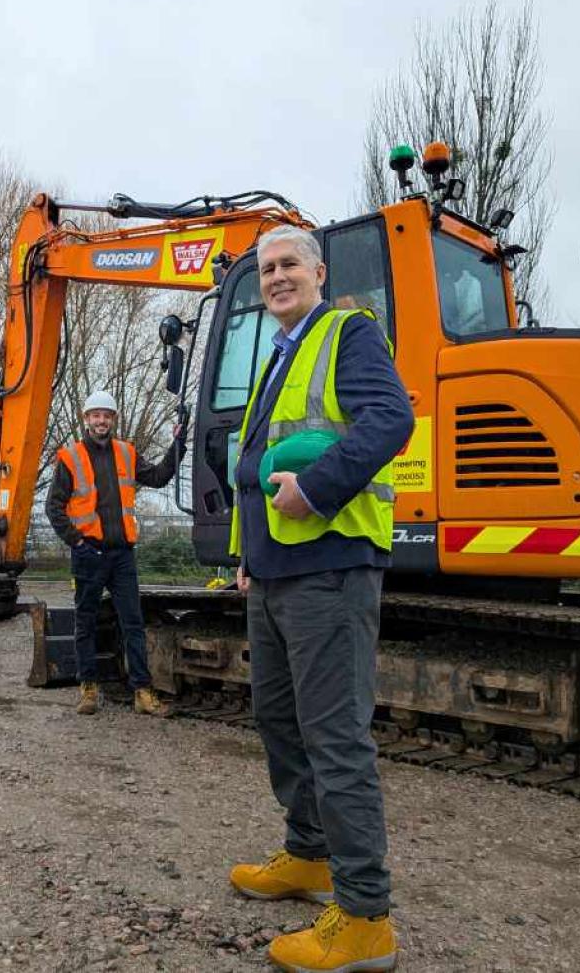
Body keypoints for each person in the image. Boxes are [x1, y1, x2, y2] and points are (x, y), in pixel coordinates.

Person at [226, 226, 413, 971]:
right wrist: (248, 553)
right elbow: (256, 467)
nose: (276, 277)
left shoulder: (347, 333)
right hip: (275, 572)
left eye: (288, 265)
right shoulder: (279, 356)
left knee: (335, 737)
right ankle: (308, 854)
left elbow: (390, 420)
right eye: (267, 269)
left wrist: (320, 486)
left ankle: (366, 915)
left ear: (318, 272)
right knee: (280, 720)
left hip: (331, 567)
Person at [45, 391, 185, 717]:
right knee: (86, 623)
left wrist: (177, 445)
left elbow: (159, 477)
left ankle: (142, 691)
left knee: (133, 624)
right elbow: (54, 507)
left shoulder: (126, 453)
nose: (101, 421)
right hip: (89, 553)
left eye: (106, 415)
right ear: (86, 418)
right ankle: (88, 688)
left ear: (113, 419)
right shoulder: (71, 457)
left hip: (122, 554)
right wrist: (77, 542)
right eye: (95, 415)